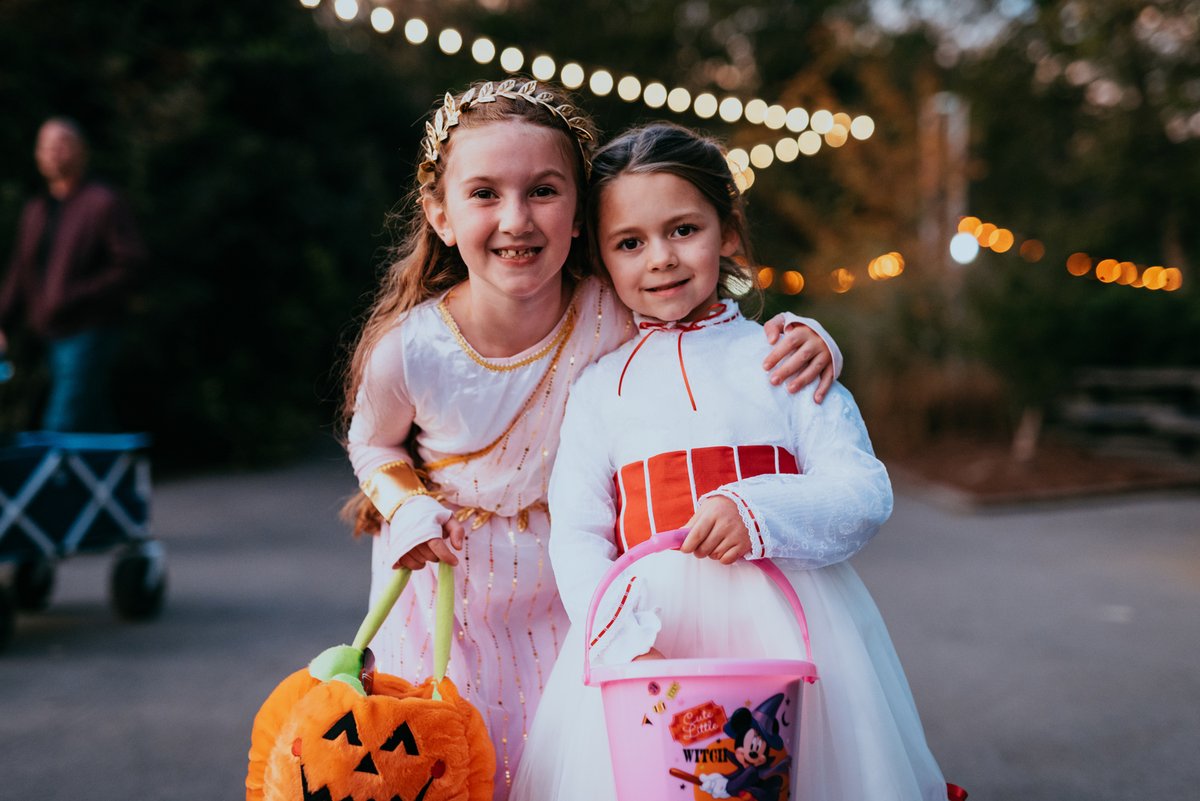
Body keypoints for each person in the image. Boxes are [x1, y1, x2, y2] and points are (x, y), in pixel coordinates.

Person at [340, 79, 844, 800]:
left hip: (570, 588)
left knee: (567, 768)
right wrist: (407, 506)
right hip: (452, 590)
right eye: (484, 193)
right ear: (440, 214)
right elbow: (374, 445)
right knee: (456, 766)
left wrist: (812, 338)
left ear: (580, 213)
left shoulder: (611, 308)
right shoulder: (410, 349)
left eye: (543, 190)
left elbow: (705, 339)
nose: (516, 218)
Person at [510, 122, 958, 801]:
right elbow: (576, 532)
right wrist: (624, 638)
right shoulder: (599, 389)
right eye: (630, 242)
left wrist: (758, 510)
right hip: (649, 633)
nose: (659, 257)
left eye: (683, 230)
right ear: (601, 258)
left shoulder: (781, 358)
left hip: (790, 622)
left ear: (730, 233)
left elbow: (864, 490)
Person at [0, 116, 145, 432]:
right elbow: (19, 272)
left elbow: (129, 265)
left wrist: (74, 296)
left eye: (61, 144)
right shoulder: (36, 210)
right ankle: (117, 476)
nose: (53, 153)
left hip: (91, 327)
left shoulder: (102, 203)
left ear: (81, 151)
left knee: (61, 421)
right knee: (93, 420)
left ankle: (53, 481)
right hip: (51, 332)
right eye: (46, 146)